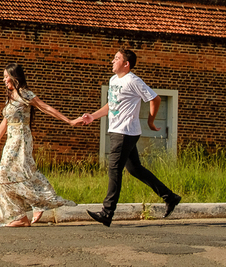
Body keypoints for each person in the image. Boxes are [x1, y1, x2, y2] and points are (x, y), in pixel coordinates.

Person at [75, 49, 181, 226]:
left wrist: (150, 121)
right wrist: (93, 116)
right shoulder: (114, 80)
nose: (112, 61)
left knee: (114, 169)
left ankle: (107, 213)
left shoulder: (133, 80)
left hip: (125, 132)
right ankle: (170, 196)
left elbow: (155, 99)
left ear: (126, 64)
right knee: (135, 169)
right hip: (117, 130)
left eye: (117, 59)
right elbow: (112, 104)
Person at [0, 63, 76, 227]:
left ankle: (25, 214)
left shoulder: (24, 93)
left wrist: (69, 121)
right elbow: (6, 120)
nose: (4, 79)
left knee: (8, 174)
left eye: (6, 76)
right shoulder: (12, 95)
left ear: (15, 77)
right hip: (11, 139)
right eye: (4, 76)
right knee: (13, 175)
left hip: (21, 139)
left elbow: (45, 107)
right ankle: (28, 210)